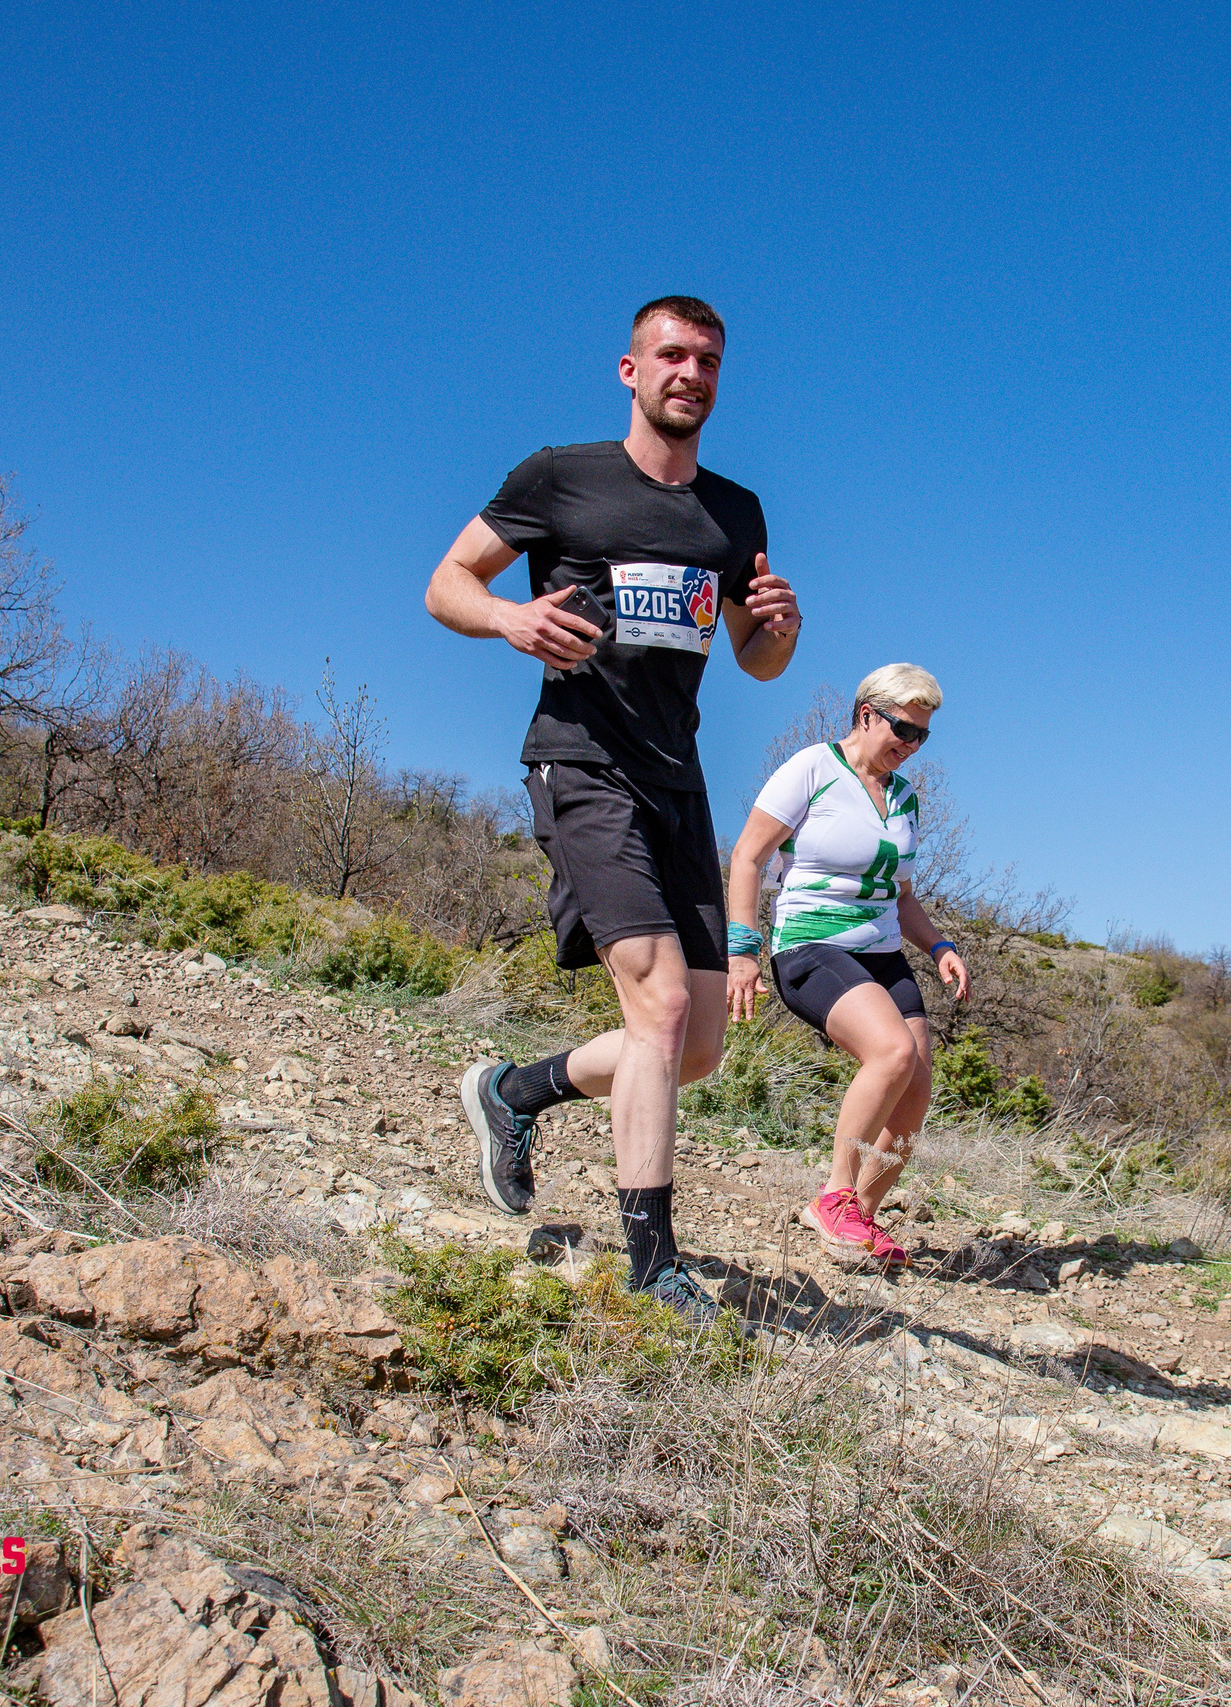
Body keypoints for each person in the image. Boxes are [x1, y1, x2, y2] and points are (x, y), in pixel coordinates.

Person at [424, 295, 800, 1322]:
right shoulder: (562, 477)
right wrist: (509, 616)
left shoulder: (735, 514)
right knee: (662, 1004)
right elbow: (446, 582)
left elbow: (757, 662)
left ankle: (516, 1091)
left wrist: (781, 628)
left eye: (709, 360)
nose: (691, 372)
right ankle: (652, 1264)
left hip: (677, 778)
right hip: (581, 762)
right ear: (630, 371)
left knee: (696, 1047)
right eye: (671, 354)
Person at [724, 664, 969, 1267]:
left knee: (914, 1091)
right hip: (811, 945)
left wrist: (939, 947)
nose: (910, 746)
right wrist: (740, 949)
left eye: (922, 737)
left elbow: (901, 895)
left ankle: (861, 1214)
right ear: (867, 714)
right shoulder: (811, 769)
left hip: (882, 950)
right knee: (891, 1052)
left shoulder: (906, 797)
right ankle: (833, 1196)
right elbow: (748, 858)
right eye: (904, 730)